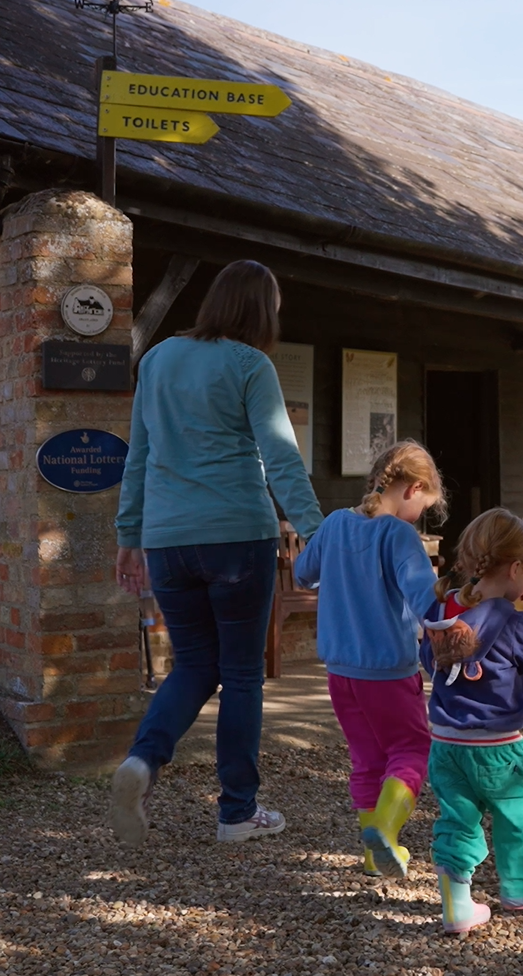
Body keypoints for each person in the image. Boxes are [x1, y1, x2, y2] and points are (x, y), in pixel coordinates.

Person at [109, 260, 323, 847]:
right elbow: (280, 457)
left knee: (194, 665)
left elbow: (138, 456)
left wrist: (129, 536)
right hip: (237, 537)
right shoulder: (250, 364)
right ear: (259, 310)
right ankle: (236, 813)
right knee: (241, 675)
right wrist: (319, 531)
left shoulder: (157, 359)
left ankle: (143, 763)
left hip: (168, 539)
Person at [291, 441, 443, 878]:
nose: (419, 517)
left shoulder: (337, 523)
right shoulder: (399, 534)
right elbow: (423, 602)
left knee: (366, 759)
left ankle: (373, 858)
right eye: (424, 506)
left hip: (340, 672)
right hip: (389, 672)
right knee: (412, 749)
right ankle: (386, 829)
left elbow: (303, 572)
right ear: (413, 488)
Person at [422, 508, 523, 935]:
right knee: (517, 815)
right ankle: (521, 888)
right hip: (499, 747)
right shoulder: (510, 620)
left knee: (457, 821)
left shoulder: (443, 609)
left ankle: (458, 906)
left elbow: (428, 661)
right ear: (516, 567)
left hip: (446, 744)